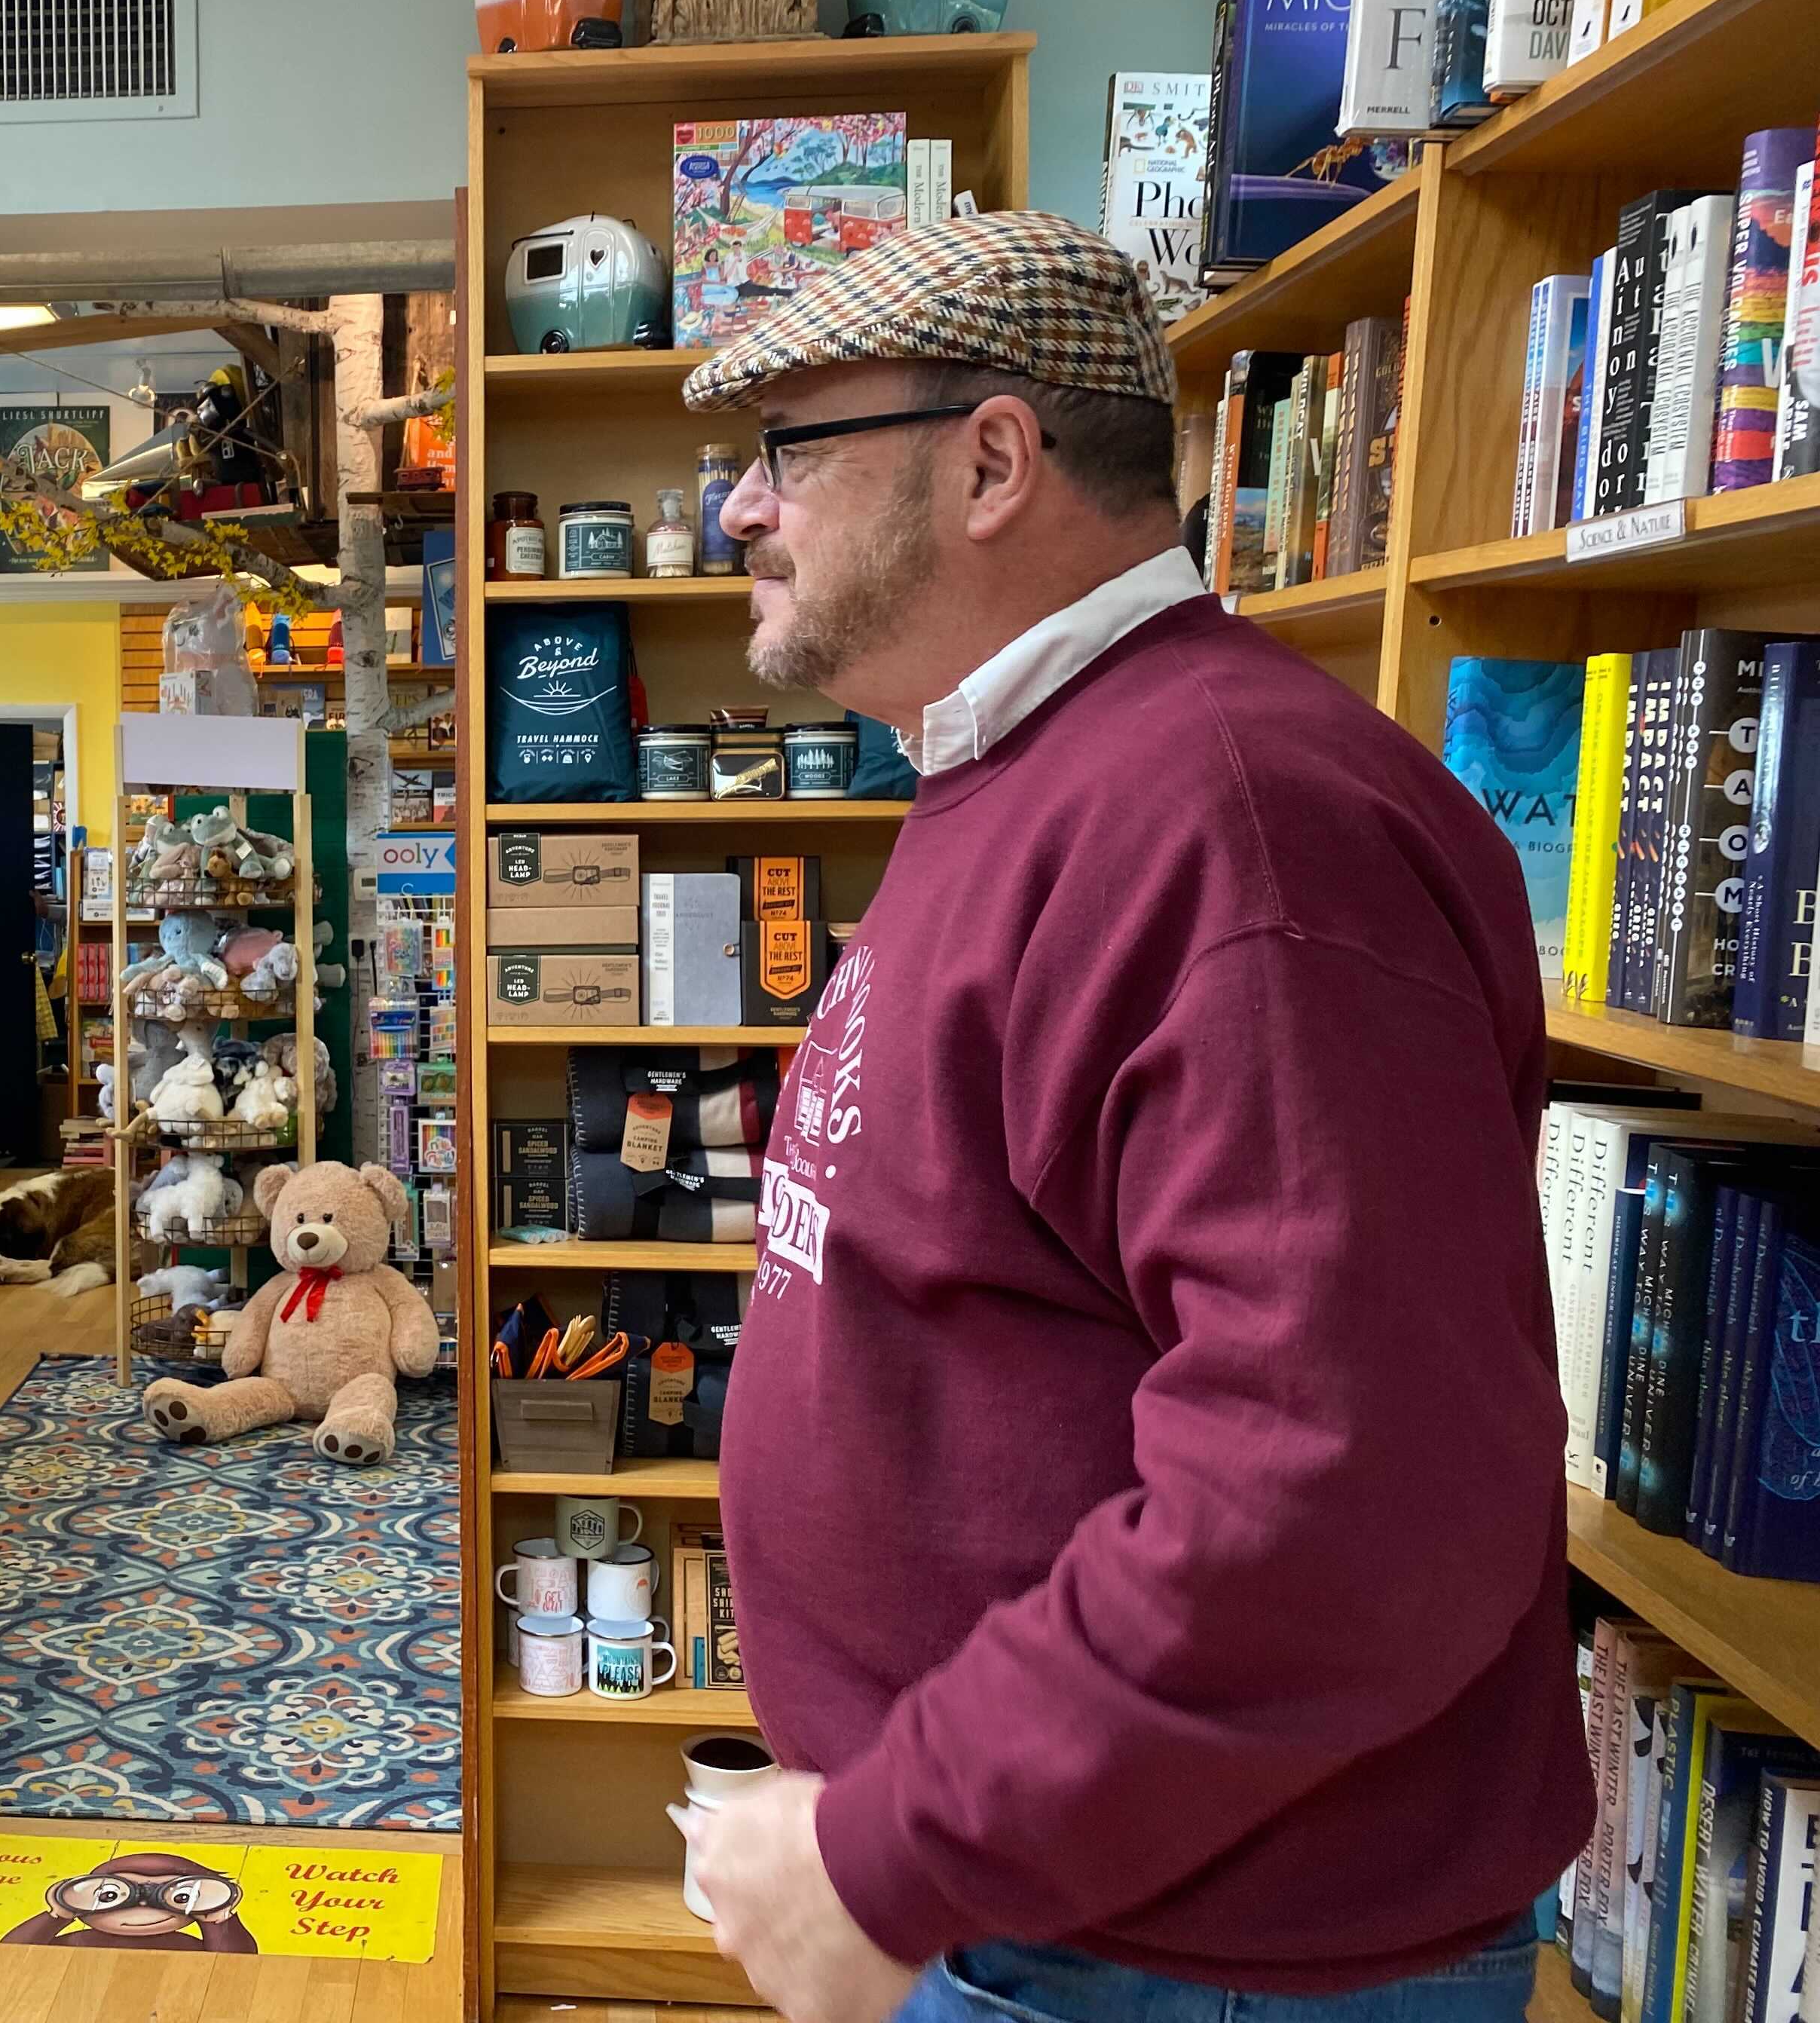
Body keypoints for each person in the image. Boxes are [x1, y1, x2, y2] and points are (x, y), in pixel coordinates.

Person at [676, 210, 1590, 2023]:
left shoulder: (1229, 821)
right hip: (1063, 1905)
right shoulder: (1045, 777)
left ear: (994, 460)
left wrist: (892, 1846)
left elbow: (1342, 1497)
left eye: (786, 453)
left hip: (1200, 1956)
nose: (737, 512)